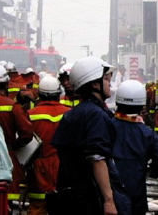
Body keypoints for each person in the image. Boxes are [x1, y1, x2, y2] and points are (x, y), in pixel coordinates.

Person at [50, 56, 131, 215]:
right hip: (90, 198)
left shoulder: (75, 114)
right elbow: (97, 159)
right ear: (95, 84)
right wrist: (109, 201)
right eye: (106, 79)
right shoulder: (96, 115)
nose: (110, 83)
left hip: (73, 196)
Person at [112, 80, 158, 215]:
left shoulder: (106, 126)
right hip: (135, 196)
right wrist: (152, 172)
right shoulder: (147, 134)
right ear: (141, 106)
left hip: (109, 196)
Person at [0, 64, 34, 203]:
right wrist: (16, 145)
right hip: (8, 156)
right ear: (6, 84)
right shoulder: (12, 106)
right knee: (8, 199)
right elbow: (27, 134)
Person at [26, 76, 71, 215]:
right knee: (64, 205)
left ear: (39, 94)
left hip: (38, 167)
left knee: (37, 206)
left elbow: (24, 142)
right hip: (63, 166)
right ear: (59, 94)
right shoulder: (69, 112)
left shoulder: (30, 115)